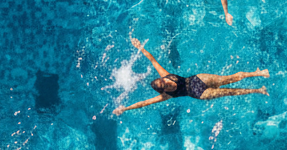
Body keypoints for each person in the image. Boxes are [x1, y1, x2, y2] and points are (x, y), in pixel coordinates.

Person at [113, 38, 268, 116]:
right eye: (165, 87)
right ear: (163, 91)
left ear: (163, 79)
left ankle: (258, 72)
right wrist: (125, 108)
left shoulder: (165, 75)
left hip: (197, 79)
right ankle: (258, 90)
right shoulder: (166, 95)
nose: (167, 84)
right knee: (229, 92)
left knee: (227, 79)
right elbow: (144, 103)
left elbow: (152, 60)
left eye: (165, 82)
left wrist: (140, 47)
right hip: (199, 93)